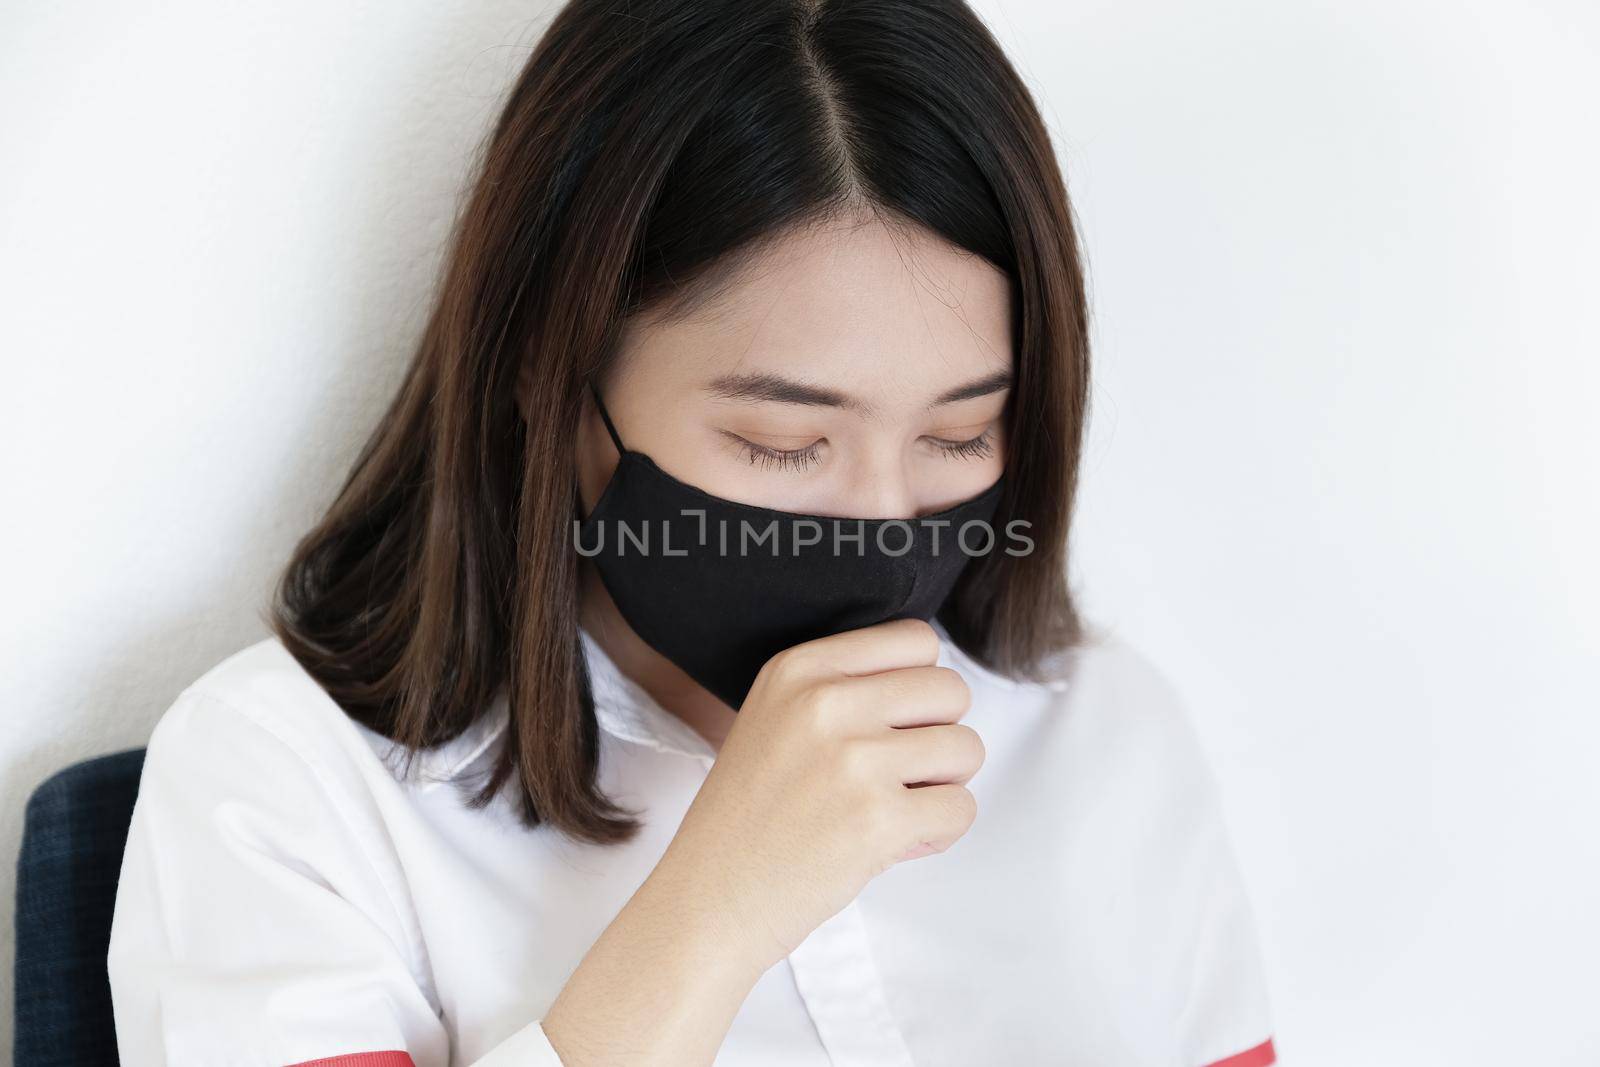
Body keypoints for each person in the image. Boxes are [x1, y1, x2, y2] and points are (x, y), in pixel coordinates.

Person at [106, 1, 1278, 1064]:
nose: (880, 523)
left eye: (961, 433)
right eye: (782, 443)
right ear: (550, 376)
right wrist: (713, 918)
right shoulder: (284, 786)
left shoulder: (1103, 731)